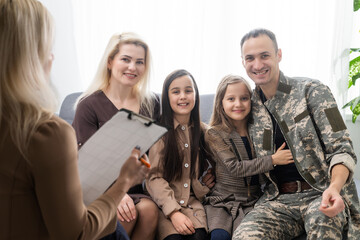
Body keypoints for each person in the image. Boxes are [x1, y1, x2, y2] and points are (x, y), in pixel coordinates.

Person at [0, 0, 149, 239]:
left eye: (139, 61)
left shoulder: (150, 103)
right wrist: (123, 183)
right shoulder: (47, 132)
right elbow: (76, 232)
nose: (52, 57)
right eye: (47, 47)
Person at [232, 28, 360, 239]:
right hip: (277, 201)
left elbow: (342, 149)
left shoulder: (313, 90)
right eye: (250, 58)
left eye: (264, 55)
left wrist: (334, 188)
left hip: (321, 193)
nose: (257, 65)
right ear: (243, 62)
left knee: (324, 226)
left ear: (278, 55)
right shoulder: (247, 106)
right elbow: (221, 134)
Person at [72, 32, 160, 240]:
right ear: (110, 62)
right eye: (126, 60)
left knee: (149, 211)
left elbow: (161, 147)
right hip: (99, 190)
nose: (133, 67)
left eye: (140, 62)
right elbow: (85, 165)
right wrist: (116, 194)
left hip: (137, 187)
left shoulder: (151, 103)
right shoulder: (88, 105)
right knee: (124, 215)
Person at [204, 75, 294, 240]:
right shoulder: (215, 133)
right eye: (231, 99)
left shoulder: (258, 131)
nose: (238, 104)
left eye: (244, 98)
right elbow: (235, 168)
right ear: (220, 103)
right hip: (222, 202)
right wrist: (272, 160)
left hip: (253, 202)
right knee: (219, 236)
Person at [146, 69, 213, 240]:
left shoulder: (204, 131)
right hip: (166, 206)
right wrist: (174, 212)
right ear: (167, 98)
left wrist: (206, 183)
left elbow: (225, 160)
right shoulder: (160, 133)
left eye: (188, 91)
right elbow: (154, 178)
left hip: (193, 206)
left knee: (199, 238)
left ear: (196, 95)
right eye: (176, 92)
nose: (183, 96)